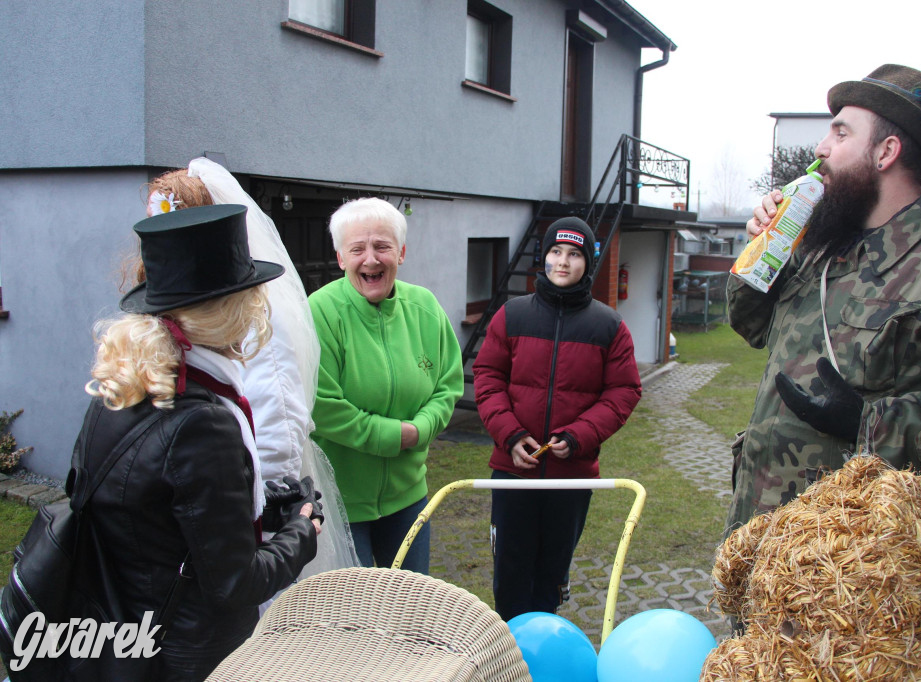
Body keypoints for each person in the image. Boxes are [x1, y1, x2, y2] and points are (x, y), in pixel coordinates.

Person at [727, 64, 921, 535]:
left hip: (863, 566)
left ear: (886, 151)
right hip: (763, 528)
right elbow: (751, 325)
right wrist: (766, 247)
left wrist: (870, 424)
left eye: (840, 133)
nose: (822, 148)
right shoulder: (825, 239)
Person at [83, 204, 320, 679]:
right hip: (187, 654)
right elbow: (236, 581)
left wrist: (269, 506)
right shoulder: (203, 424)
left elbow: (164, 512)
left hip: (126, 621)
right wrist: (302, 533)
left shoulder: (124, 384)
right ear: (233, 312)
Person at [143, 160, 359, 576]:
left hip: (249, 524)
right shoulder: (154, 327)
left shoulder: (255, 318)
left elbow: (277, 430)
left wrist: (275, 523)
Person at [473, 217, 642, 621]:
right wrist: (509, 435)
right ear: (543, 257)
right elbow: (488, 376)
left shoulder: (609, 326)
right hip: (514, 473)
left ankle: (546, 642)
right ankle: (510, 653)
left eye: (574, 254)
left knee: (550, 575)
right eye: (555, 252)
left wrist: (580, 435)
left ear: (588, 262)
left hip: (571, 477)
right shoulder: (511, 315)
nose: (563, 262)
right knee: (510, 577)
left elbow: (624, 391)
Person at [309, 197, 463, 573]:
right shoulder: (320, 312)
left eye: (382, 246)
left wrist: (420, 429)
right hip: (342, 504)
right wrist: (396, 436)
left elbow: (448, 385)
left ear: (402, 252)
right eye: (357, 248)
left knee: (410, 611)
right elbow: (323, 406)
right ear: (341, 257)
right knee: (356, 621)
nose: (371, 259)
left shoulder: (425, 307)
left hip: (408, 498)